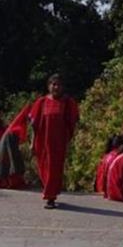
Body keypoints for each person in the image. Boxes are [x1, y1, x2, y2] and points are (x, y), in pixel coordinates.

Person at [26, 75, 80, 209]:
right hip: (42, 142)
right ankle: (50, 192)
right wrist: (32, 143)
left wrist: (71, 142)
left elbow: (72, 123)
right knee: (44, 169)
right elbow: (34, 124)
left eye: (59, 85)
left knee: (54, 170)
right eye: (53, 84)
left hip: (58, 144)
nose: (56, 87)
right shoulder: (42, 102)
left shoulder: (67, 103)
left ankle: (50, 197)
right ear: (48, 86)